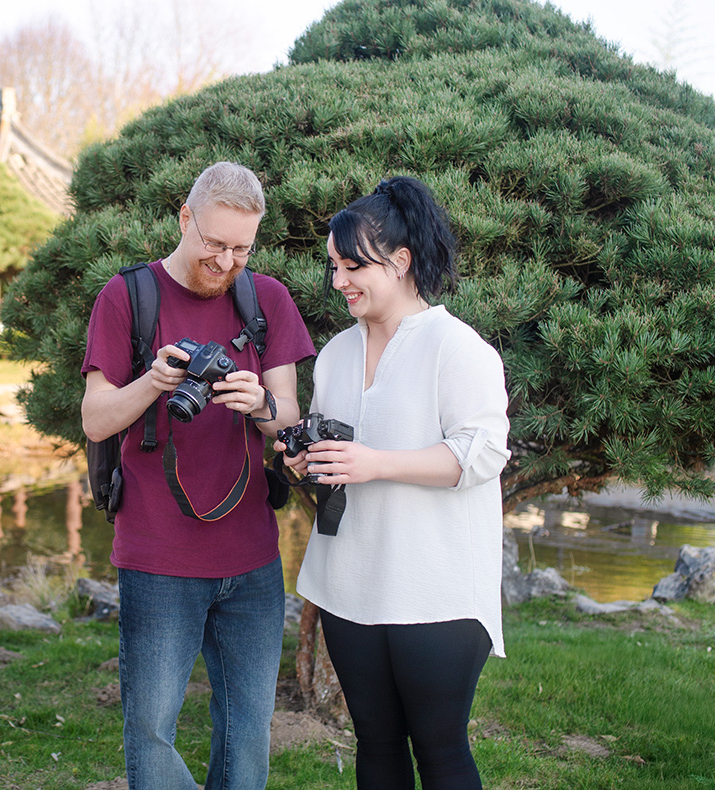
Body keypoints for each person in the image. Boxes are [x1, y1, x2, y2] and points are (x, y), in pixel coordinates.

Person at [81, 161, 316, 790]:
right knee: (152, 729)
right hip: (158, 556)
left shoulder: (265, 298)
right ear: (186, 219)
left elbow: (288, 414)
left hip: (251, 555)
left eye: (242, 247)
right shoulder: (128, 296)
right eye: (215, 243)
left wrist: (259, 403)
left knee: (249, 726)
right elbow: (97, 419)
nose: (227, 260)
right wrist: (153, 382)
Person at [282, 175, 510, 789]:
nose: (339, 282)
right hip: (348, 582)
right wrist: (305, 462)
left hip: (436, 589)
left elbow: (483, 453)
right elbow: (338, 459)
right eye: (333, 267)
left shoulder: (456, 347)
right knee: (376, 745)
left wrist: (375, 462)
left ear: (401, 261)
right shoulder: (333, 355)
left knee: (440, 750)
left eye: (353, 266)